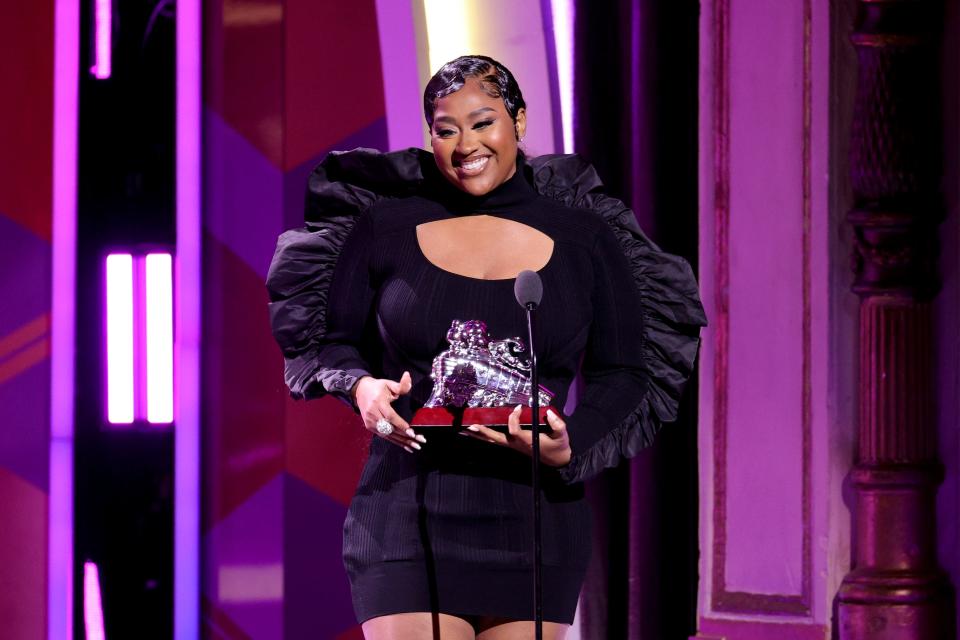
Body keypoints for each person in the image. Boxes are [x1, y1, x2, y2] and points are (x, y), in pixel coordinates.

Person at [266, 55, 706, 640]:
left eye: (483, 123)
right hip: (406, 509)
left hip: (533, 518)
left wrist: (571, 444)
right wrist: (361, 387)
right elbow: (329, 340)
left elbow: (627, 372)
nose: (464, 144)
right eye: (445, 129)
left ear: (518, 122)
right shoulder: (384, 225)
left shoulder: (586, 234)